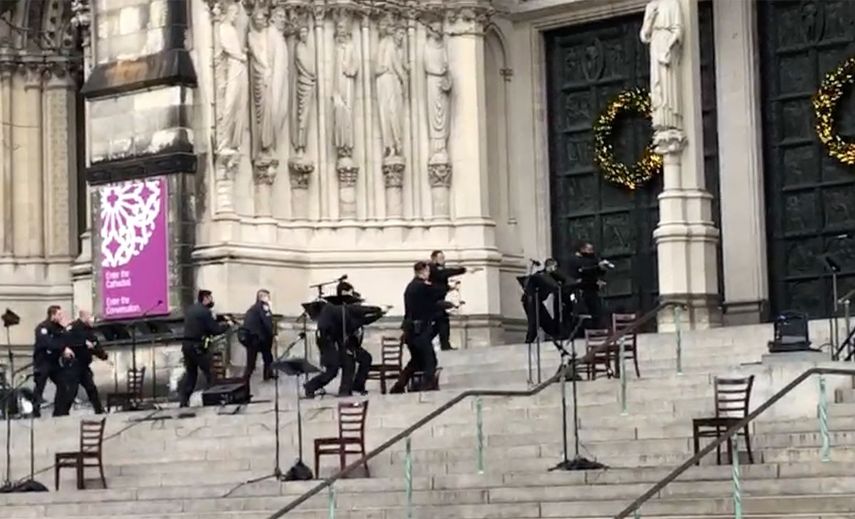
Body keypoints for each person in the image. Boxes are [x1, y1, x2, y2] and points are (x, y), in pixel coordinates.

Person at [305, 282, 379, 397]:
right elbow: (354, 319)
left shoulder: (344, 308)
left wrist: (376, 314)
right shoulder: (335, 308)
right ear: (343, 293)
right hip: (332, 343)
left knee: (360, 359)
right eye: (349, 293)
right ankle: (311, 386)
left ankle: (352, 388)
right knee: (333, 369)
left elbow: (359, 320)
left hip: (345, 342)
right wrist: (374, 311)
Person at [390, 262, 447, 393]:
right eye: (428, 271)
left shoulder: (411, 287)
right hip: (419, 331)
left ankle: (399, 386)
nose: (429, 274)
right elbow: (435, 294)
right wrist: (448, 288)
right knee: (430, 360)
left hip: (410, 331)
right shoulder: (421, 286)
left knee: (416, 361)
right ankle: (427, 386)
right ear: (423, 271)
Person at [180, 290, 232, 408]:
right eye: (210, 298)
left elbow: (201, 324)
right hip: (197, 346)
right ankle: (212, 398)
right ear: (205, 298)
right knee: (210, 372)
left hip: (187, 345)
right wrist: (227, 324)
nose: (212, 301)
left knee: (191, 374)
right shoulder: (204, 311)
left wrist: (217, 320)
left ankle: (184, 401)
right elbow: (215, 329)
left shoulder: (191, 309)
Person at [56, 310, 107, 416]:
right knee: (71, 391)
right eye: (91, 317)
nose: (93, 320)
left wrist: (102, 355)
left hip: (84, 366)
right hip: (73, 365)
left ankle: (99, 410)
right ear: (85, 317)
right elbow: (65, 340)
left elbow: (94, 344)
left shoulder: (89, 331)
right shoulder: (73, 328)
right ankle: (62, 413)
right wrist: (83, 343)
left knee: (91, 388)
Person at [32, 305, 75, 418]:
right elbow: (48, 343)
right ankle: (35, 412)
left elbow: (66, 340)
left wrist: (66, 330)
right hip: (43, 361)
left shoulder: (59, 328)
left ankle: (59, 411)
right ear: (52, 315)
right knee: (40, 386)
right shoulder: (42, 328)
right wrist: (63, 348)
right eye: (59, 314)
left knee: (63, 384)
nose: (61, 317)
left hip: (54, 362)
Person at [565, 242, 611, 329]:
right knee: (586, 312)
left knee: (598, 311)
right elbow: (582, 272)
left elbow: (596, 272)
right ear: (582, 249)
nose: (591, 252)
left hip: (592, 289)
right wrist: (597, 268)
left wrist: (601, 271)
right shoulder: (575, 260)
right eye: (589, 250)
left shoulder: (592, 259)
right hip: (581, 291)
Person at [428, 250, 466, 351]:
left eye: (443, 258)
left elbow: (440, 284)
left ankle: (443, 343)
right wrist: (461, 270)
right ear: (434, 259)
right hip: (432, 301)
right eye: (441, 258)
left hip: (438, 300)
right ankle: (439, 343)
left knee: (442, 321)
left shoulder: (438, 270)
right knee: (441, 321)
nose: (443, 260)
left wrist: (450, 287)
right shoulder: (432, 269)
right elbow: (443, 274)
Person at [242, 289, 276, 382]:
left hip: (251, 337)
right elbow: (267, 322)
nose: (269, 298)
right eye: (267, 296)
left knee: (253, 361)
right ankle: (266, 374)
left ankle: (246, 379)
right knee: (267, 357)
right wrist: (272, 333)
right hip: (260, 338)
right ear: (261, 297)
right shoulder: (263, 307)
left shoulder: (253, 308)